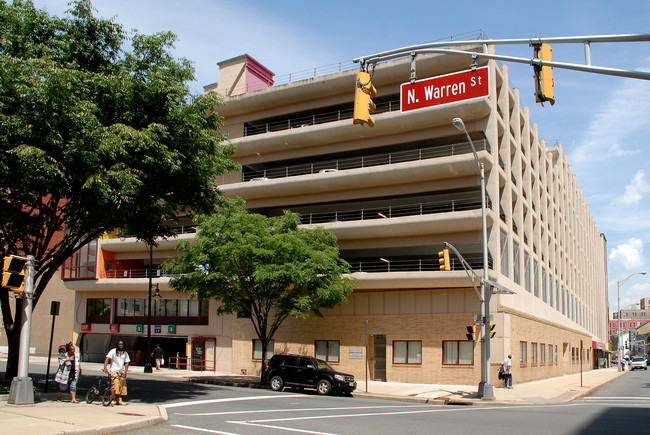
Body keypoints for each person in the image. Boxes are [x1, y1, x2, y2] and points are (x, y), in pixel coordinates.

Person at [104, 340, 130, 405]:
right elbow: (107, 359)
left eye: (122, 344)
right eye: (119, 344)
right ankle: (112, 398)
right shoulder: (113, 351)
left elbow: (127, 363)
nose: (121, 346)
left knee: (122, 385)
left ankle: (119, 399)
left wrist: (125, 372)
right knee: (115, 384)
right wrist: (105, 367)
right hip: (114, 370)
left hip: (121, 371)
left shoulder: (125, 353)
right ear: (117, 345)